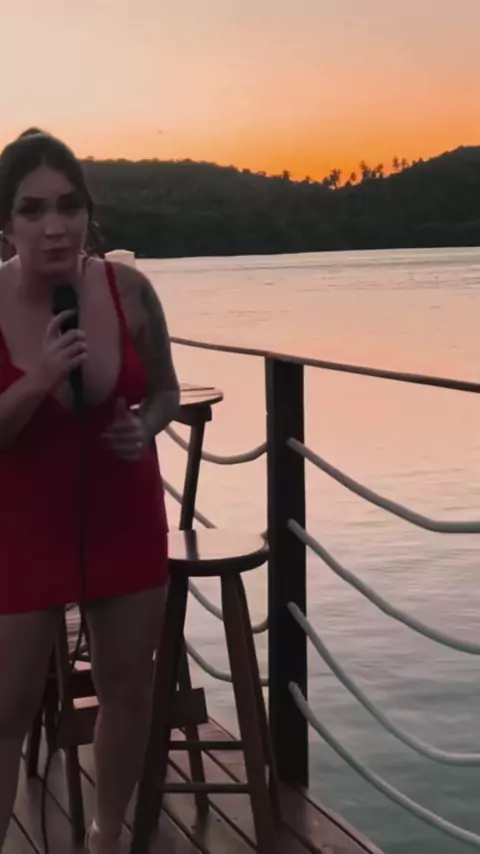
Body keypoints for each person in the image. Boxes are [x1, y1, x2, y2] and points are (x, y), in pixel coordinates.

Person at [0, 128, 180, 853]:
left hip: (124, 516)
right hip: (21, 525)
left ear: (88, 213)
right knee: (7, 711)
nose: (55, 225)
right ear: (6, 224)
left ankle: (107, 835)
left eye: (69, 206)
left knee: (127, 688)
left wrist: (147, 426)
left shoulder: (129, 289)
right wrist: (39, 379)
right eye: (33, 209)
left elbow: (164, 392)